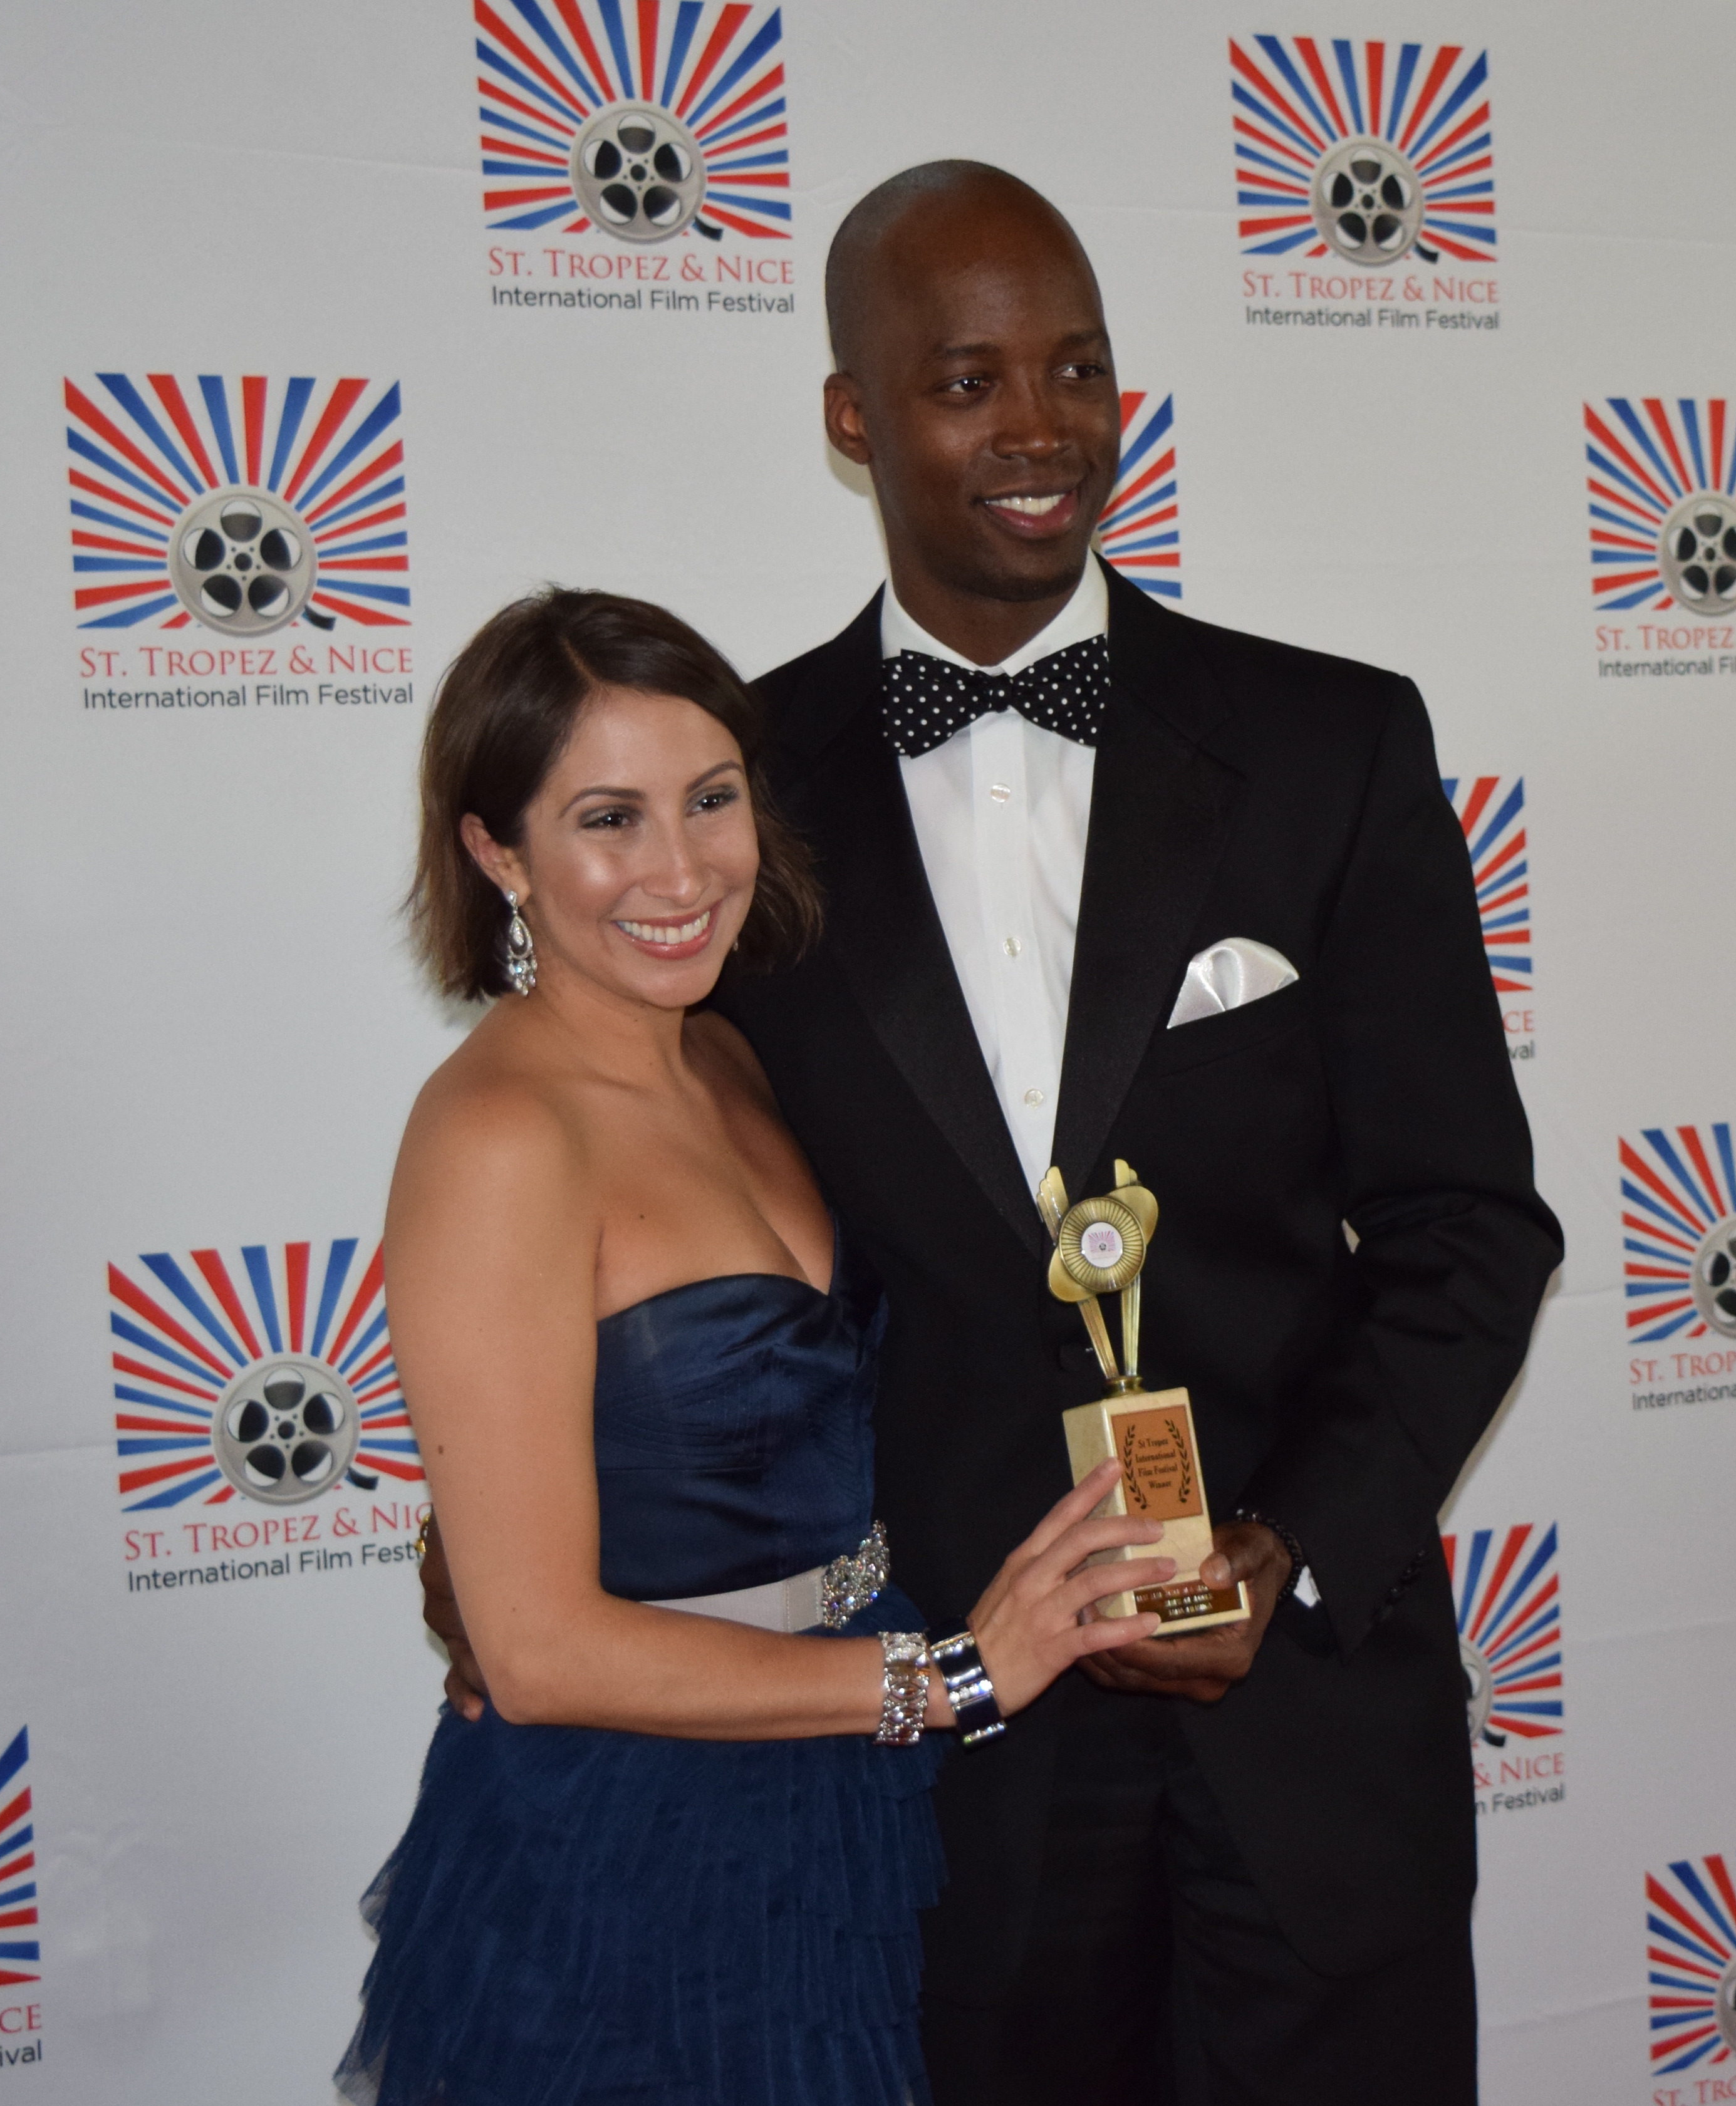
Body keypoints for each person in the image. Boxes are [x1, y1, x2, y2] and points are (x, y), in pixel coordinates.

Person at [429, 163, 1562, 2103]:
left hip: (1305, 1719)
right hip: (946, 1764)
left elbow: (1469, 1224)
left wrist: (1283, 1557)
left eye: (1076, 371)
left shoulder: (1329, 742)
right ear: (850, 418)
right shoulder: (732, 800)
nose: (1036, 429)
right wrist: (514, 1529)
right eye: (964, 380)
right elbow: (655, 1199)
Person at [338, 588, 1183, 2106]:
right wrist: (953, 1680)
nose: (679, 870)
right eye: (609, 817)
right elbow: (535, 1654)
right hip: (628, 1831)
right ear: (495, 851)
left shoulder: (729, 1050)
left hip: (832, 1791)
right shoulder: (499, 1134)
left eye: (711, 798)